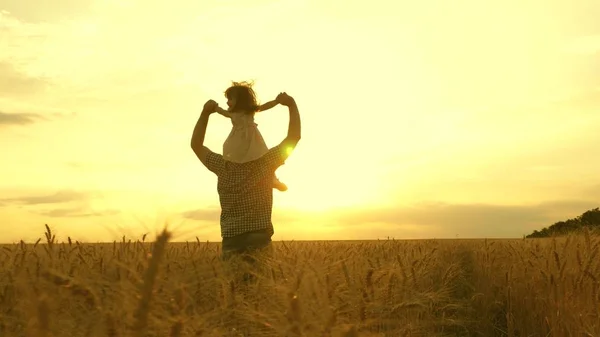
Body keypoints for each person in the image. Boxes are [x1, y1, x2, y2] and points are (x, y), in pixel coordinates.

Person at [190, 90, 301, 262]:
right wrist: (291, 105)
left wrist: (205, 113)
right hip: (259, 236)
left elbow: (196, 145)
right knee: (261, 287)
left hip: (231, 238)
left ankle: (275, 182)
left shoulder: (222, 166)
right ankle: (275, 181)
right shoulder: (265, 163)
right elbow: (293, 137)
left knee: (232, 288)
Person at [214, 81, 288, 192]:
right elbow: (222, 112)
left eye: (230, 99)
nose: (227, 102)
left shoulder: (249, 111)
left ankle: (272, 179)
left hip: (252, 140)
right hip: (238, 143)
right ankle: (242, 180)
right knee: (238, 161)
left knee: (263, 159)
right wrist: (214, 108)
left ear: (240, 100)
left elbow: (265, 106)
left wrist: (277, 101)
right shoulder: (233, 114)